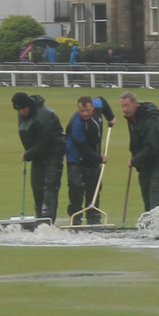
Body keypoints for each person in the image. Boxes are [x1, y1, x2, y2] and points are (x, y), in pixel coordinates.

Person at [13, 92, 65, 223]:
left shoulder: (45, 116)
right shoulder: (22, 113)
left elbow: (43, 144)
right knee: (37, 187)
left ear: (28, 105)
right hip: (37, 156)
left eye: (22, 109)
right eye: (18, 110)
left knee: (49, 187)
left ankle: (47, 221)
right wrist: (29, 152)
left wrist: (27, 155)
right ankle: (39, 219)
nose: (21, 112)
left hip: (53, 154)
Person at [121, 91, 159, 212]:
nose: (124, 109)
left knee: (154, 189)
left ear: (135, 104)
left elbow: (153, 146)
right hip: (145, 158)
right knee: (145, 188)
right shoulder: (132, 118)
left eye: (127, 105)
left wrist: (135, 160)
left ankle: (157, 222)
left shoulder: (150, 120)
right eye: (122, 106)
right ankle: (150, 220)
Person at [64, 96, 111, 225]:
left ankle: (94, 219)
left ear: (93, 108)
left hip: (92, 158)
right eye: (81, 111)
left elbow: (103, 100)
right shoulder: (77, 125)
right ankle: (75, 219)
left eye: (87, 110)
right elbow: (83, 148)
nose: (84, 114)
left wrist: (111, 118)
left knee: (94, 188)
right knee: (76, 187)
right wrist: (100, 158)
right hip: (75, 158)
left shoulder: (98, 106)